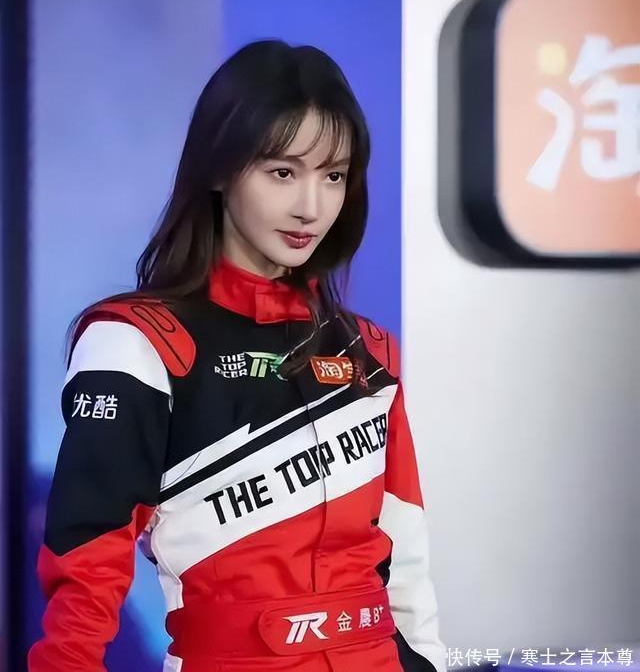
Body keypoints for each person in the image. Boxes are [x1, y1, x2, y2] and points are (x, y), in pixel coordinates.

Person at [28, 39, 446, 672]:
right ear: (220, 170)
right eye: (283, 172)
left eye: (333, 176)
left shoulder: (370, 353)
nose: (311, 207)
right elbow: (89, 564)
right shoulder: (137, 342)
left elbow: (405, 556)